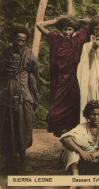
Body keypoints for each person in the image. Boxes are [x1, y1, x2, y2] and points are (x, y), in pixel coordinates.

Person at [37, 15, 91, 137]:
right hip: (58, 82)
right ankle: (62, 136)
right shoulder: (55, 38)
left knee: (72, 112)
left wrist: (76, 20)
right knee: (55, 113)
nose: (67, 32)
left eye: (70, 29)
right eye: (65, 29)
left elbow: (90, 23)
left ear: (74, 30)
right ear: (61, 29)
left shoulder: (77, 40)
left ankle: (69, 142)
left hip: (73, 80)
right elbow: (39, 25)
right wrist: (56, 20)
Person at [0, 25, 39, 174]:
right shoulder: (5, 54)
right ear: (13, 39)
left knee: (23, 127)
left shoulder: (29, 55)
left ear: (26, 40)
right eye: (17, 39)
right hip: (5, 97)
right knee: (7, 127)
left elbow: (34, 74)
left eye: (23, 40)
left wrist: (33, 94)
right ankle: (8, 159)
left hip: (24, 96)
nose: (20, 43)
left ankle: (22, 159)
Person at [60, 100, 99, 186]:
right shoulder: (82, 127)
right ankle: (75, 176)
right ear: (88, 115)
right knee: (69, 146)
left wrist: (97, 154)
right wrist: (82, 152)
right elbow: (65, 138)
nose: (96, 117)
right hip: (86, 159)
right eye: (93, 114)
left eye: (98, 114)